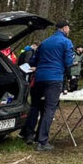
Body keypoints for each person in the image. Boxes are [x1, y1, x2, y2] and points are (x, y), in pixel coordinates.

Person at [20, 20, 73, 151]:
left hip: (39, 77)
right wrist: (68, 74)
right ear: (64, 28)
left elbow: (34, 61)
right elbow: (68, 62)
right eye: (68, 28)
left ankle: (28, 135)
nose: (69, 30)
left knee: (35, 106)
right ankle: (42, 141)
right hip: (54, 78)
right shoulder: (66, 42)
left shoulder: (44, 42)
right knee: (50, 108)